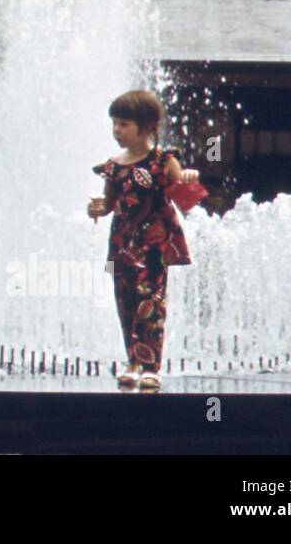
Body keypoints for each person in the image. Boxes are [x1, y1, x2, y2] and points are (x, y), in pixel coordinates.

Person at [88, 90, 198, 392]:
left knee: (150, 301)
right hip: (121, 243)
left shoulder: (163, 161)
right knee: (125, 300)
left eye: (123, 124)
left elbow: (186, 200)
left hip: (154, 243)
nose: (117, 131)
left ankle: (151, 366)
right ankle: (132, 362)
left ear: (146, 126)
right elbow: (109, 204)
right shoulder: (113, 165)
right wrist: (96, 208)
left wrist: (189, 179)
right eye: (114, 124)